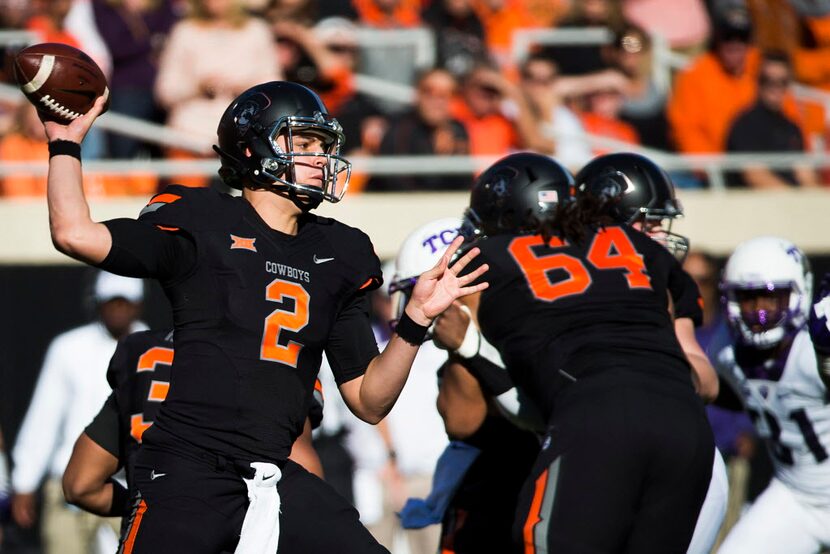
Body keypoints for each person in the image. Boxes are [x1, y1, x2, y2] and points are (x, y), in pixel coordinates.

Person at [41, 80, 487, 553]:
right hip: (189, 467)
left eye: (325, 146)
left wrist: (414, 322)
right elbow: (74, 234)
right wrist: (66, 142)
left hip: (274, 474)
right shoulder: (201, 216)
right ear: (255, 148)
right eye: (306, 143)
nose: (322, 158)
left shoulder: (341, 251)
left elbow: (368, 400)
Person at [461, 152, 715, 552]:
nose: (656, 232)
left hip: (595, 416)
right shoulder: (645, 251)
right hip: (685, 425)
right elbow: (699, 372)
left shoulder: (491, 260)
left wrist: (463, 346)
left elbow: (462, 416)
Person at [62, 329, 325, 521]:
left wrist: (146, 505)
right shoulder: (272, 357)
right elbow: (304, 476)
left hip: (148, 536)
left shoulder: (142, 354)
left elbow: (80, 484)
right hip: (227, 534)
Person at [10, 271, 145, 554]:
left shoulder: (155, 348)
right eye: (112, 302)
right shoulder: (69, 347)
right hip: (70, 486)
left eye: (125, 302)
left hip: (128, 488)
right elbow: (44, 417)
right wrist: (24, 480)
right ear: (98, 303)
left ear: (138, 304)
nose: (118, 309)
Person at [714, 237, 830, 553]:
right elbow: (720, 392)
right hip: (794, 496)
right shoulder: (730, 359)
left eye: (770, 299)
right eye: (749, 299)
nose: (760, 311)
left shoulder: (811, 354)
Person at [726, 51, 820, 189]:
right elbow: (754, 175)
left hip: (792, 203)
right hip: (757, 205)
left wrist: (813, 200)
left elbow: (805, 173)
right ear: (758, 81)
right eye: (767, 80)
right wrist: (795, 201)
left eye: (782, 81)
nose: (775, 87)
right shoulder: (744, 124)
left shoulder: (792, 128)